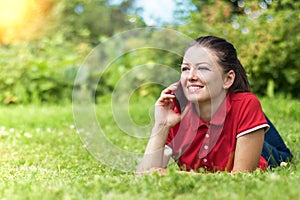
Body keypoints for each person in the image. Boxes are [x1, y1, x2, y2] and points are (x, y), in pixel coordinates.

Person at [137, 36, 292, 174]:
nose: (190, 76)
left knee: (279, 153)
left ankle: (251, 123)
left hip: (260, 148)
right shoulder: (175, 111)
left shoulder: (246, 103)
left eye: (203, 68)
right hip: (224, 112)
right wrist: (161, 125)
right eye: (185, 68)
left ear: (227, 79)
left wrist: (177, 175)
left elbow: (242, 177)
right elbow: (144, 175)